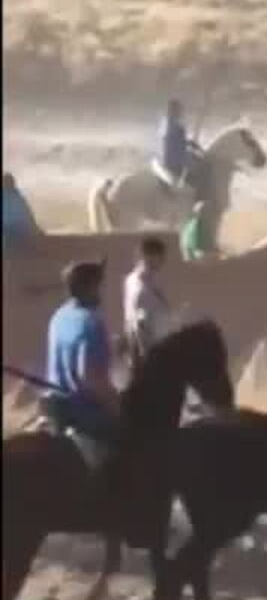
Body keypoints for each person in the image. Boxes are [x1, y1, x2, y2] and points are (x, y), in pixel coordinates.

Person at [44, 261, 119, 446]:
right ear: (91, 287)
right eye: (100, 286)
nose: (103, 291)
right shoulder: (92, 322)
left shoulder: (59, 315)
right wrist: (116, 406)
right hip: (84, 413)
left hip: (56, 406)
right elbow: (89, 377)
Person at [122, 237, 172, 365]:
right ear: (149, 257)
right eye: (160, 257)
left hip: (150, 345)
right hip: (149, 350)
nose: (163, 261)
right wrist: (147, 356)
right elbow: (140, 325)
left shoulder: (133, 279)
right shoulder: (141, 289)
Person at [155, 99, 201, 197]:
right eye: (179, 110)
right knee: (199, 178)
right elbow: (174, 143)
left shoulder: (167, 123)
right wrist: (189, 145)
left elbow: (174, 140)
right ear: (174, 111)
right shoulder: (172, 124)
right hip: (175, 161)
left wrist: (189, 143)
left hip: (170, 158)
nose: (180, 113)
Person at [2, 171, 41, 254]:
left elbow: (28, 215)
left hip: (15, 232)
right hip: (16, 232)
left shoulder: (16, 196)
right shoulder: (17, 195)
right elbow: (28, 215)